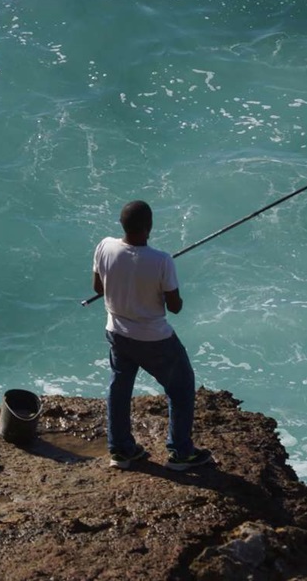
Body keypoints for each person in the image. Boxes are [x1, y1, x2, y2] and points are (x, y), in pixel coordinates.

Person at [89, 200, 213, 471]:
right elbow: (175, 307)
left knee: (119, 389)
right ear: (149, 227)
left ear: (122, 225)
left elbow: (98, 287)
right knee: (181, 388)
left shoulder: (104, 246)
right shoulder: (161, 260)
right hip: (154, 338)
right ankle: (181, 453)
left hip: (117, 332)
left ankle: (121, 451)